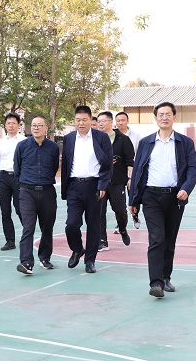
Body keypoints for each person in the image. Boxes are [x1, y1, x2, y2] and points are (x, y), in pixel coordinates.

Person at [128, 102, 196, 298]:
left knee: (169, 241)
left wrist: (186, 189)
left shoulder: (185, 142)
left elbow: (193, 168)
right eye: (161, 114)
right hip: (151, 196)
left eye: (168, 114)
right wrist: (133, 200)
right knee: (157, 238)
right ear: (156, 118)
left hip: (175, 197)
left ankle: (166, 277)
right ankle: (156, 283)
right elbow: (137, 172)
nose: (164, 117)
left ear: (174, 117)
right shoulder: (146, 143)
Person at [61, 106, 113, 273]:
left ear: (91, 120)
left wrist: (103, 185)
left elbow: (108, 164)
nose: (81, 123)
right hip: (74, 186)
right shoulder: (68, 138)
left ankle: (90, 260)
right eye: (78, 120)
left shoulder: (101, 137)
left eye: (84, 120)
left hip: (94, 186)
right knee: (71, 224)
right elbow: (66, 164)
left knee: (93, 225)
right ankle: (77, 249)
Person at [14, 116, 59, 275]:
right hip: (27, 192)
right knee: (28, 227)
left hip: (47, 191)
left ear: (46, 128)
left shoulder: (53, 147)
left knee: (47, 227)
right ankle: (26, 262)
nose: (36, 128)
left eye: (40, 125)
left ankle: (45, 257)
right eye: (33, 125)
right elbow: (17, 169)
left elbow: (54, 167)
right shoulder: (22, 146)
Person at [97, 111, 134, 251]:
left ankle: (122, 229)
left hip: (117, 181)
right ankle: (102, 240)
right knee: (99, 212)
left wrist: (130, 178)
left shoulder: (123, 139)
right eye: (99, 121)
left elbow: (130, 161)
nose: (100, 124)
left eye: (103, 121)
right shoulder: (94, 139)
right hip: (99, 182)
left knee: (120, 210)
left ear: (111, 122)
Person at [0, 113, 26, 251]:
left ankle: (27, 236)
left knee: (20, 209)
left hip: (19, 178)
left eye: (13, 123)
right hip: (3, 178)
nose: (11, 126)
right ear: (5, 125)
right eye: (8, 123)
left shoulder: (24, 141)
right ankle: (10, 240)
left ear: (19, 125)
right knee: (5, 211)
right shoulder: (0, 143)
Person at [115, 111, 143, 229]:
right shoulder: (112, 136)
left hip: (133, 171)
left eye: (123, 120)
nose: (120, 123)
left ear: (127, 121)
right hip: (118, 173)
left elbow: (140, 153)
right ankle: (120, 223)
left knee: (133, 195)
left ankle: (135, 215)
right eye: (118, 121)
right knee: (119, 201)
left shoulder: (136, 136)